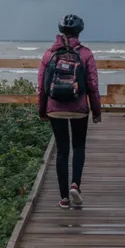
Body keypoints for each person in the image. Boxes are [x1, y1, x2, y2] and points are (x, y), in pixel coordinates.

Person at [38, 14, 102, 209]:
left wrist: (42, 110)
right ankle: (76, 184)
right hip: (79, 108)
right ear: (79, 32)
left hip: (55, 109)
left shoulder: (49, 54)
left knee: (62, 151)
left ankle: (64, 198)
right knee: (79, 147)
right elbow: (93, 85)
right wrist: (96, 111)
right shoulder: (85, 54)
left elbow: (41, 87)